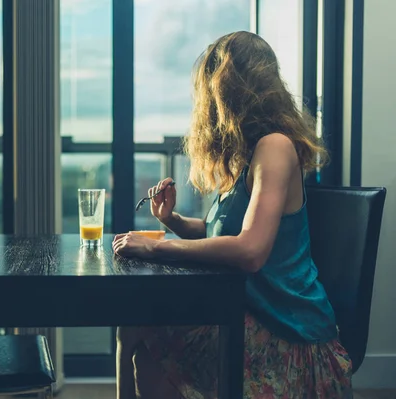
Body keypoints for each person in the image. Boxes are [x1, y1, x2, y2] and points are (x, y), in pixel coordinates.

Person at [112, 31, 352, 399]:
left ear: (227, 89)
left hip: (287, 336)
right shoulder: (247, 156)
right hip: (249, 315)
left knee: (148, 342)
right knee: (135, 322)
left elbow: (250, 251)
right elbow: (220, 234)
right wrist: (172, 222)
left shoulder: (275, 147)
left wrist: (155, 248)